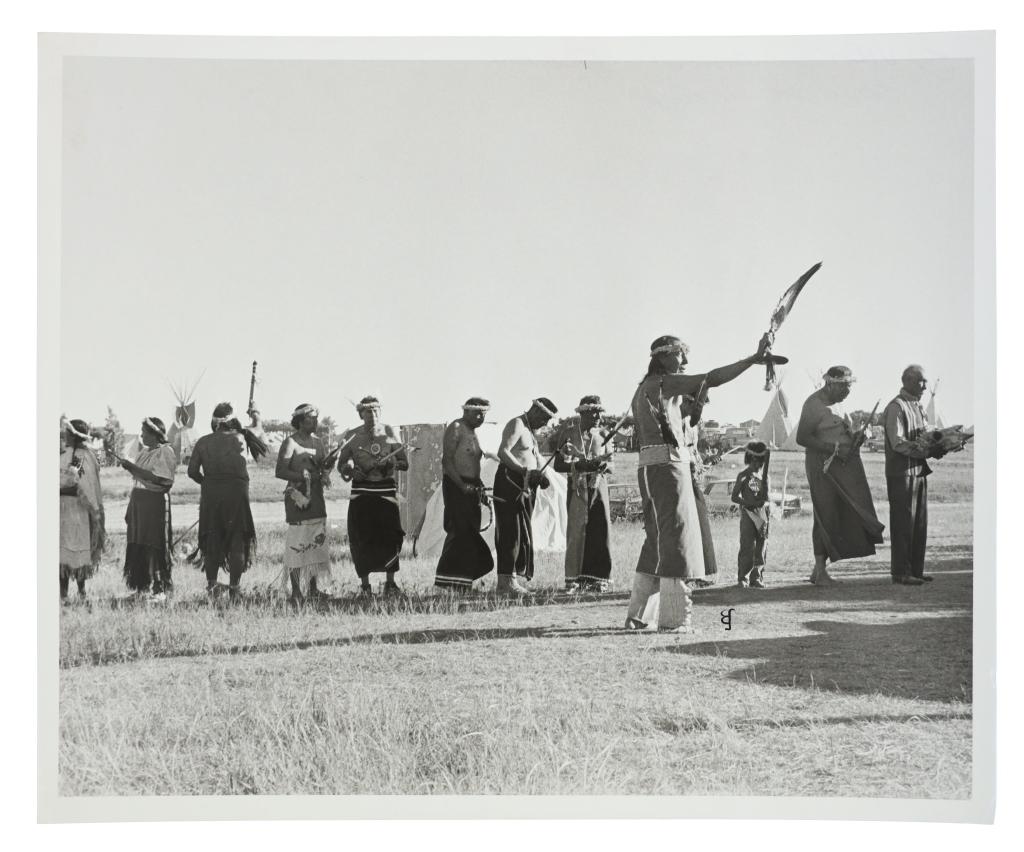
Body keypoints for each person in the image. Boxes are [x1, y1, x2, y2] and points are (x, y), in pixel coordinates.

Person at [625, 333, 774, 633]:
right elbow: (712, 378)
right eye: (681, 354)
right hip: (667, 468)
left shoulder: (649, 388)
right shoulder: (663, 383)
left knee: (657, 541)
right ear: (664, 356)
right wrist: (752, 359)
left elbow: (687, 414)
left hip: (656, 468)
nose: (685, 361)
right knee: (676, 537)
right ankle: (674, 618)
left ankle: (639, 615)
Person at [795, 366, 884, 585]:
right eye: (844, 386)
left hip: (842, 466)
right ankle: (820, 571)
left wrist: (854, 439)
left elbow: (841, 432)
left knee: (837, 513)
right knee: (824, 513)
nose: (848, 391)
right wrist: (832, 448)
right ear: (831, 383)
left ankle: (819, 571)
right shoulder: (813, 405)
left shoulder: (838, 405)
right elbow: (802, 438)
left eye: (850, 386)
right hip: (821, 466)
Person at [187, 402, 268, 602]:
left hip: (211, 495)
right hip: (237, 495)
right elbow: (258, 426)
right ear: (232, 420)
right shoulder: (243, 436)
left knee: (212, 540)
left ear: (214, 422)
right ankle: (234, 589)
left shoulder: (203, 442)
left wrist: (207, 483)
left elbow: (192, 472)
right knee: (237, 540)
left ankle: (212, 586)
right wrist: (255, 412)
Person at [337, 396, 409, 598]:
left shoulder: (389, 432)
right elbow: (341, 466)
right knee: (361, 537)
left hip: (385, 491)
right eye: (369, 412)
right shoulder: (352, 436)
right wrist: (350, 470)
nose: (373, 415)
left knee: (391, 536)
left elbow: (404, 462)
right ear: (361, 414)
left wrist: (391, 463)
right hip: (362, 492)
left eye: (377, 411)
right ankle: (365, 586)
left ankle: (390, 584)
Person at [883, 365, 946, 586]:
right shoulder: (896, 407)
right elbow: (897, 442)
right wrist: (925, 450)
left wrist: (942, 444)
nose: (925, 386)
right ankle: (900, 572)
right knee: (903, 523)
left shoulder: (918, 406)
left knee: (919, 523)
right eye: (922, 381)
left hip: (918, 472)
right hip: (901, 473)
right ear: (908, 381)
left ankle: (915, 571)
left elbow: (927, 433)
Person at [494, 398, 558, 596]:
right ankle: (505, 583)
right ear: (536, 411)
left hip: (524, 484)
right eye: (545, 419)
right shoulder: (517, 424)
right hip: (510, 482)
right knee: (510, 532)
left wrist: (541, 476)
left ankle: (511, 579)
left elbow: (534, 459)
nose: (545, 424)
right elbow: (503, 452)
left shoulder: (530, 432)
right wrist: (524, 471)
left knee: (520, 532)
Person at [434, 397, 496, 592]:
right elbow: (447, 463)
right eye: (477, 413)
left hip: (472, 487)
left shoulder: (473, 433)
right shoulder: (456, 428)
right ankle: (448, 582)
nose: (480, 418)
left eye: (483, 415)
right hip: (456, 487)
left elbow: (473, 466)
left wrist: (480, 489)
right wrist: (461, 486)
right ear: (466, 411)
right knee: (460, 533)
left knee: (470, 534)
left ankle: (462, 581)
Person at [554, 395, 614, 593]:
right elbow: (558, 464)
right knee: (576, 530)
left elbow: (611, 464)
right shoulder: (569, 433)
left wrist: (602, 464)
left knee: (601, 529)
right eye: (593, 412)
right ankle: (573, 580)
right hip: (577, 487)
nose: (597, 416)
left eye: (599, 412)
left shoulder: (604, 434)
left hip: (598, 486)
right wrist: (578, 464)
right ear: (582, 413)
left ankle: (599, 579)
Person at [276, 403, 334, 602]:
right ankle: (295, 591)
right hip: (298, 499)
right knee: (298, 542)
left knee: (316, 541)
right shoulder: (290, 443)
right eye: (311, 419)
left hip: (317, 498)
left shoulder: (318, 443)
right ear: (300, 422)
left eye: (316, 419)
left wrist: (327, 468)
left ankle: (313, 588)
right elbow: (280, 471)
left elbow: (323, 467)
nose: (315, 422)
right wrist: (302, 476)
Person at [120, 417, 176, 601]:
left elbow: (163, 480)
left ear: (154, 434)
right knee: (138, 544)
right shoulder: (144, 452)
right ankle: (141, 587)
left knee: (154, 545)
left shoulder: (165, 452)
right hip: (139, 501)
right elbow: (139, 478)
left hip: (154, 502)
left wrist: (132, 469)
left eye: (144, 431)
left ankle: (159, 589)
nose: (141, 434)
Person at [59, 419, 105, 602]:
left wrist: (62, 488)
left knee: (77, 549)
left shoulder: (86, 457)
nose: (65, 436)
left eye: (67, 433)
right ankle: (64, 593)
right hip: (63, 510)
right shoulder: (64, 455)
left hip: (78, 509)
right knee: (63, 550)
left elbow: (85, 486)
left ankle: (80, 592)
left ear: (74, 435)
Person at [680, 390, 718, 586]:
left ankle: (698, 573)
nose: (700, 412)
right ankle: (685, 574)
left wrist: (706, 460)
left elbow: (694, 453)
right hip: (680, 477)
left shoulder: (693, 426)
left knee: (699, 523)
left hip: (693, 476)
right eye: (697, 407)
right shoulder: (675, 421)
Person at [731, 441, 771, 589]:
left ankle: (757, 577)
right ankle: (743, 578)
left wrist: (764, 502)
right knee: (747, 545)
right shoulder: (743, 476)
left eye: (758, 461)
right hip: (748, 514)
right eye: (753, 460)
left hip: (762, 515)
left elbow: (767, 499)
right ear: (749, 458)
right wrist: (748, 502)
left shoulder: (765, 477)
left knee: (761, 546)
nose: (756, 464)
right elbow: (734, 497)